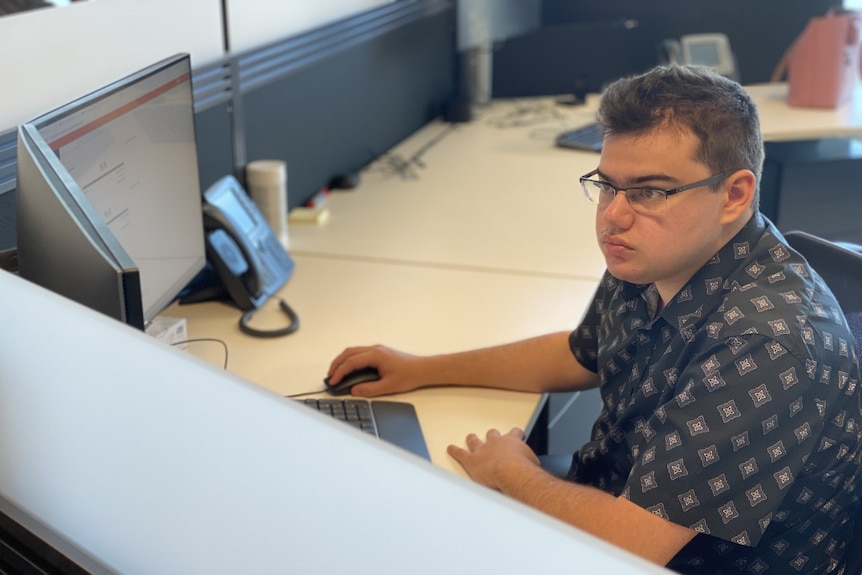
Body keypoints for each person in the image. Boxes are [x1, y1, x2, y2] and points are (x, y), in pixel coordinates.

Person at [326, 65, 862, 574]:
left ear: (734, 195)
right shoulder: (654, 252)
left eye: (650, 191)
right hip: (612, 500)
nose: (613, 215)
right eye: (606, 185)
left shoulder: (768, 343)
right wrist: (422, 368)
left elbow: (635, 544)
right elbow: (579, 353)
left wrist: (514, 473)